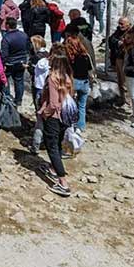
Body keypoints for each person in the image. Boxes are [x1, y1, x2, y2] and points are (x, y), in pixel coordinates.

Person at [38, 50, 74, 196]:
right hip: (65, 117)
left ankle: (62, 182)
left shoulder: (53, 78)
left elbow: (53, 103)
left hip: (53, 117)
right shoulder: (68, 77)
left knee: (51, 147)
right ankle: (53, 168)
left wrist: (44, 113)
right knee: (57, 143)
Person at [64, 30, 93, 131]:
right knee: (82, 106)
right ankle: (81, 127)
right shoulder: (86, 56)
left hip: (74, 82)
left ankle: (69, 125)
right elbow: (90, 71)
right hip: (85, 82)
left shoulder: (70, 58)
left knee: (69, 105)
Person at [0, 17, 30, 106]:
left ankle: (7, 97)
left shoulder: (6, 38)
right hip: (21, 62)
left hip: (10, 63)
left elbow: (4, 54)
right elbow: (28, 48)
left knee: (6, 80)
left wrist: (3, 63)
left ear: (8, 25)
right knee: (19, 81)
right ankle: (18, 100)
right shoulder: (24, 35)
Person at [108, 16, 134, 101]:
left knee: (126, 82)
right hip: (118, 58)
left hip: (127, 60)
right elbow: (111, 39)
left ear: (128, 24)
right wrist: (118, 42)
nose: (120, 25)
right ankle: (123, 99)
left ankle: (130, 100)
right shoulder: (118, 31)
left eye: (122, 24)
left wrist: (125, 44)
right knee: (120, 81)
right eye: (119, 23)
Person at [29, 36, 50, 151]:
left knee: (39, 115)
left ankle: (36, 144)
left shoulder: (35, 58)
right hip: (47, 87)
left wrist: (28, 67)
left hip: (38, 87)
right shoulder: (48, 55)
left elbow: (33, 70)